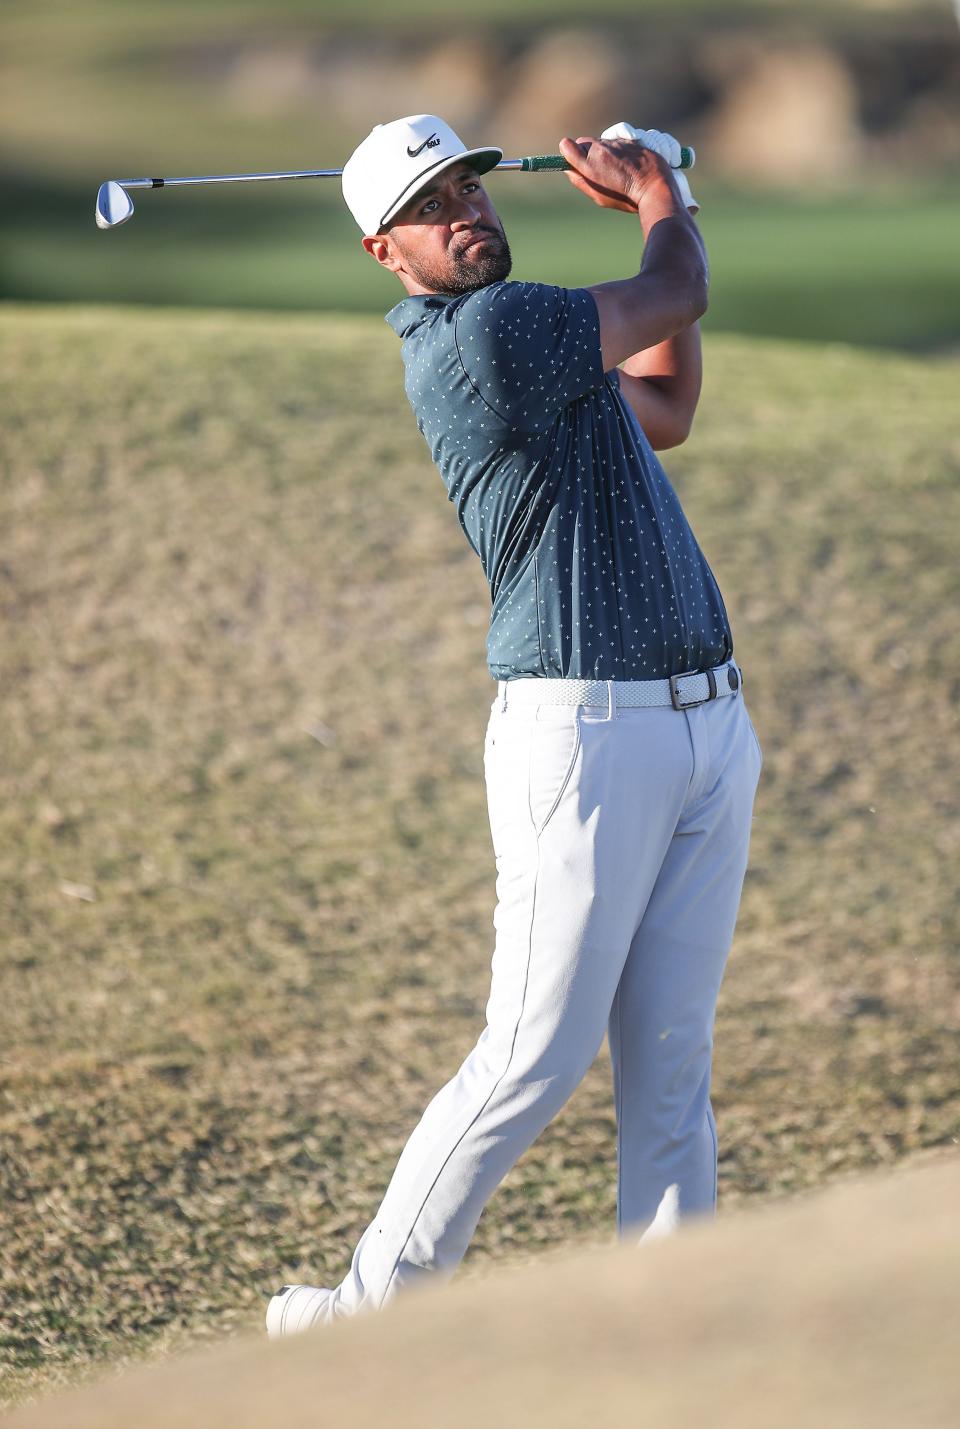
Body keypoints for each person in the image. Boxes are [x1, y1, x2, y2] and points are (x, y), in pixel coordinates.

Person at [266, 113, 763, 1336]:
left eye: (472, 187)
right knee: (534, 1054)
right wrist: (657, 190)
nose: (467, 210)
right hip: (585, 736)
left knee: (669, 1071)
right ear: (389, 253)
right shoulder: (488, 335)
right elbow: (678, 281)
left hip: (706, 728)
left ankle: (673, 1330)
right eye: (434, 205)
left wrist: (664, 213)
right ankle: (362, 1318)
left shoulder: (541, 339)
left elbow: (668, 395)